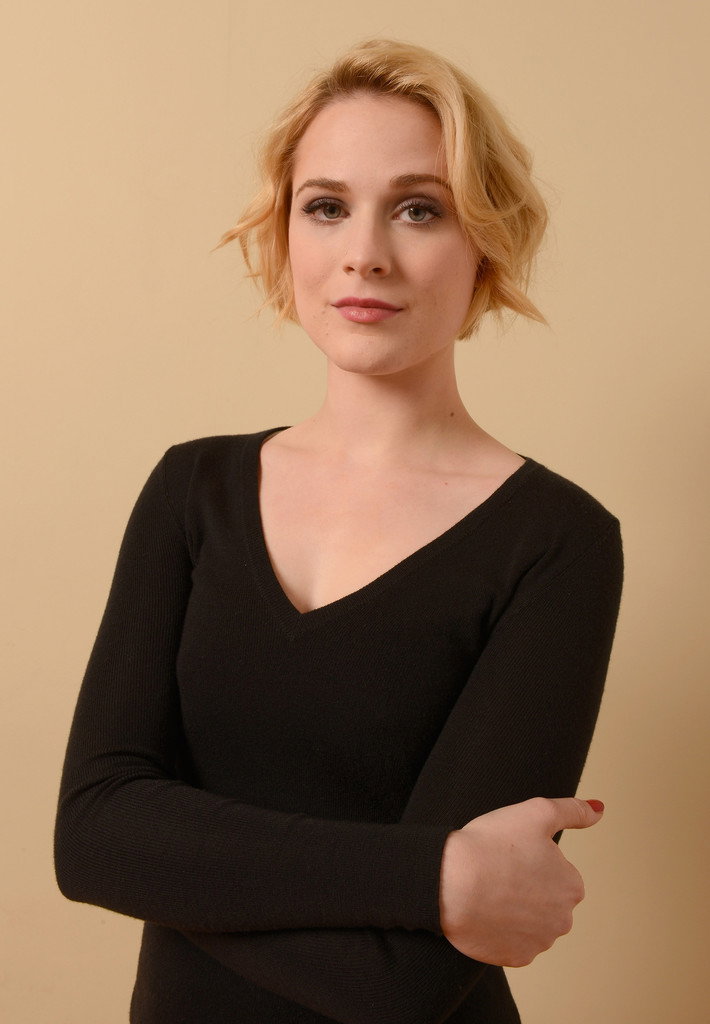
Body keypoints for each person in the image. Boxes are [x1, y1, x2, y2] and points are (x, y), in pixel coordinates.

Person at [54, 38, 623, 1024]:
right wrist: (437, 875)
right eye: (325, 206)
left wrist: (177, 859)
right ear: (284, 234)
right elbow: (92, 839)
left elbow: (398, 983)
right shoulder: (192, 489)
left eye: (418, 208)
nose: (364, 253)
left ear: (484, 240)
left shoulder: (557, 540)